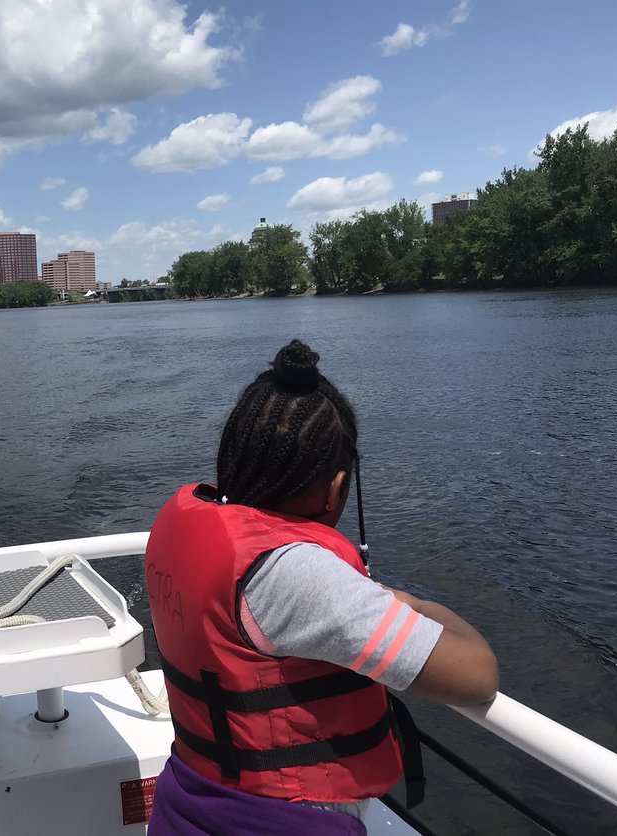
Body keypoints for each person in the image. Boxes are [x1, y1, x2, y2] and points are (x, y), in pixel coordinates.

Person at [145, 339, 498, 835]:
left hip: (185, 805)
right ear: (335, 488)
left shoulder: (194, 533)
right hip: (283, 820)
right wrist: (411, 603)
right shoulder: (298, 577)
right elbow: (477, 676)